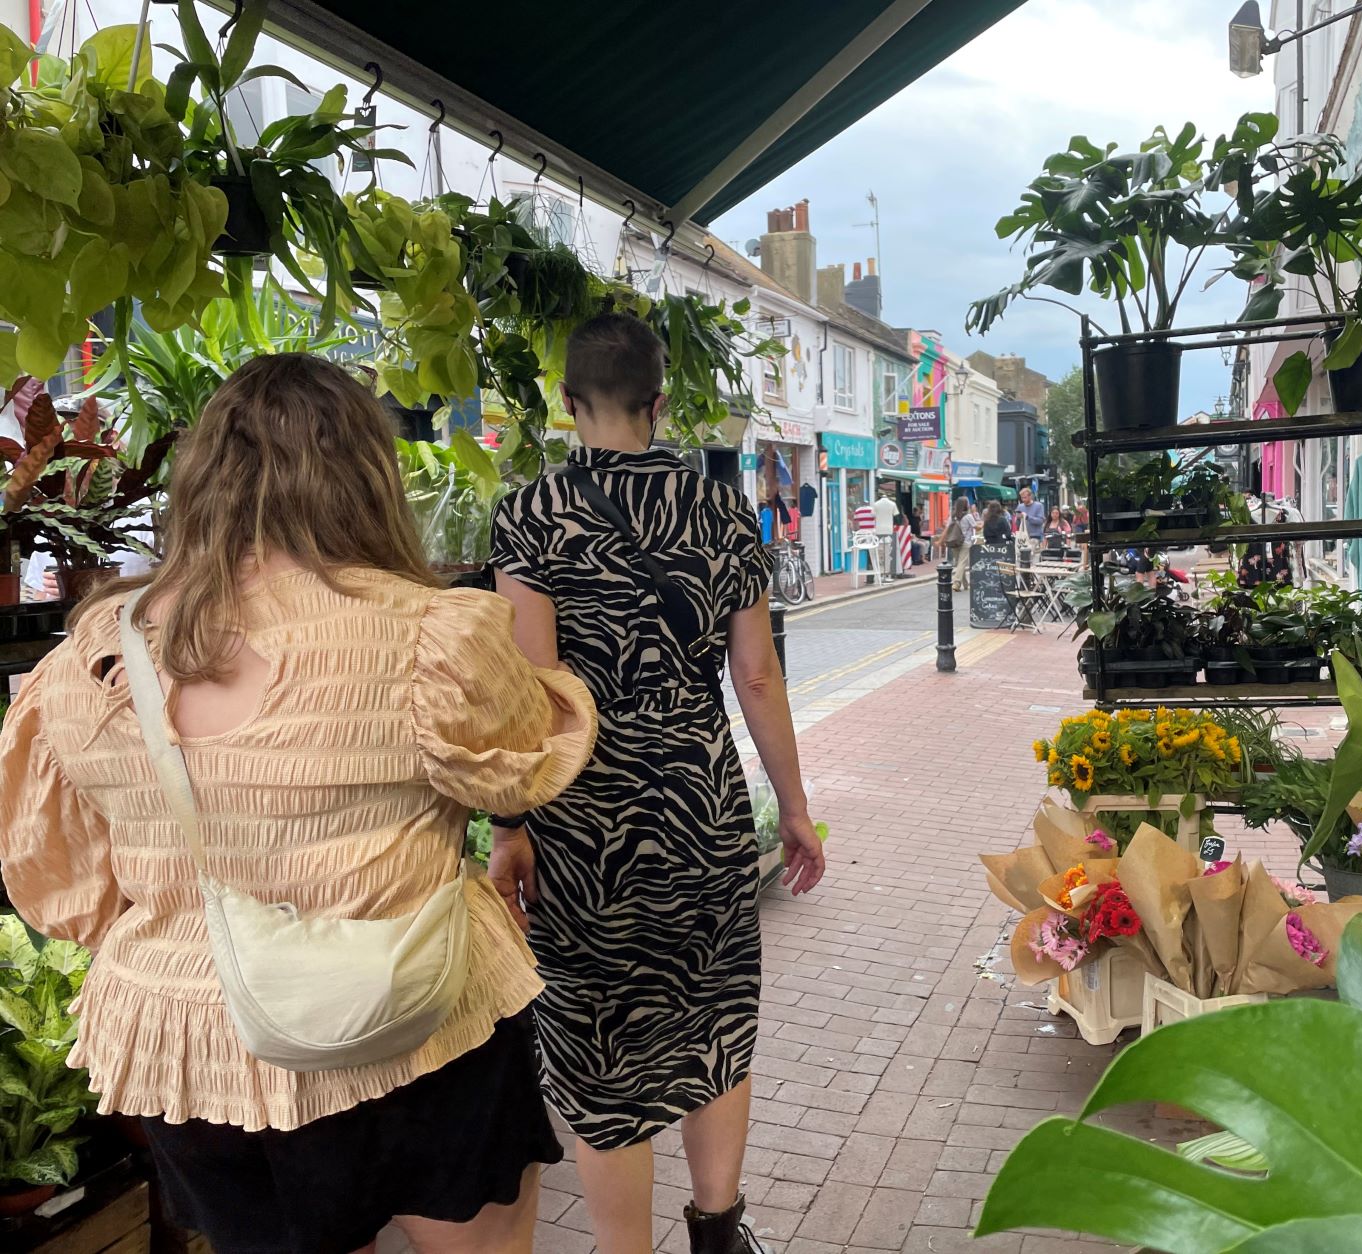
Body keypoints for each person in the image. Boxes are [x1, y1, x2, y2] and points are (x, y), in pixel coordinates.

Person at [0, 354, 599, 1254]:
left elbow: (66, 887)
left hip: (194, 1042)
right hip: (419, 1009)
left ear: (201, 479)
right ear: (366, 475)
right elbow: (521, 765)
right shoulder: (429, 632)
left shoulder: (87, 665)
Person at [488, 314, 825, 1254]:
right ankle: (718, 1230)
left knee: (602, 1041)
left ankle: (623, 1247)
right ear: (659, 402)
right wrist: (793, 811)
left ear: (566, 403)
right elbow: (757, 675)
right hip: (701, 809)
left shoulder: (531, 515)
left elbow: (536, 695)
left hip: (584, 826)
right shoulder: (722, 512)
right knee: (711, 1012)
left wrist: (510, 826)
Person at [944, 497, 976, 590]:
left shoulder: (952, 516)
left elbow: (947, 527)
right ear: (965, 505)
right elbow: (975, 527)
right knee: (962, 563)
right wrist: (982, 524)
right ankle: (956, 582)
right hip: (966, 542)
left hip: (954, 541)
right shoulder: (968, 516)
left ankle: (965, 585)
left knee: (959, 563)